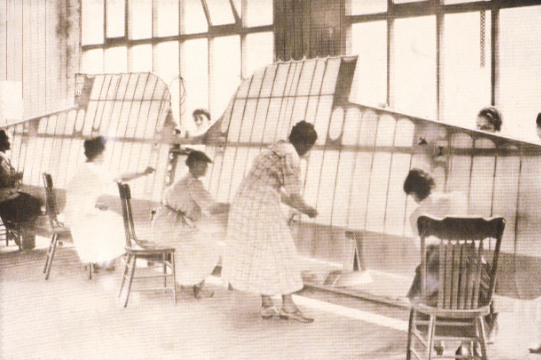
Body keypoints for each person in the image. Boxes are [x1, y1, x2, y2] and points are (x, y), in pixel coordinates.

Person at [222, 120, 318, 323]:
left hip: (243, 206)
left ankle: (267, 304)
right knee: (285, 254)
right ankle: (289, 306)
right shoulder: (291, 155)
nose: (307, 153)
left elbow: (272, 187)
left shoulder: (274, 149)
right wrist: (309, 210)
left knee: (262, 255)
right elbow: (294, 196)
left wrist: (299, 206)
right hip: (260, 208)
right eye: (308, 148)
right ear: (303, 143)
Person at [404, 168, 498, 358]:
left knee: (425, 283)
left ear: (413, 194)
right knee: (471, 279)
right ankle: (467, 344)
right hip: (472, 287)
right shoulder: (458, 199)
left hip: (438, 291)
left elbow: (424, 252)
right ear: (431, 185)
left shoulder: (417, 216)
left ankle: (436, 339)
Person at [65, 136, 154, 271]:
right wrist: (142, 173)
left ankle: (100, 259)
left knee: (109, 219)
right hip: (81, 217)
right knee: (116, 221)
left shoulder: (82, 168)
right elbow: (122, 177)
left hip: (74, 214)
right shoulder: (95, 169)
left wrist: (93, 205)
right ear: (99, 154)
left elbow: (78, 195)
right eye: (103, 153)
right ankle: (105, 260)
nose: (104, 157)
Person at [151, 150, 229, 299]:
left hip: (164, 226)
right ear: (195, 165)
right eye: (204, 165)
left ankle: (188, 284)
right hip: (172, 228)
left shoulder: (183, 180)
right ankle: (196, 288)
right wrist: (236, 206)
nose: (206, 168)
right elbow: (213, 208)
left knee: (200, 242)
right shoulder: (193, 183)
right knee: (209, 247)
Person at [0, 129, 42, 249]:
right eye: (7, 139)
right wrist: (21, 174)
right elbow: (6, 180)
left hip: (3, 200)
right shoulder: (2, 158)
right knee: (35, 204)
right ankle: (22, 231)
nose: (10, 142)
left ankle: (16, 230)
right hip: (5, 199)